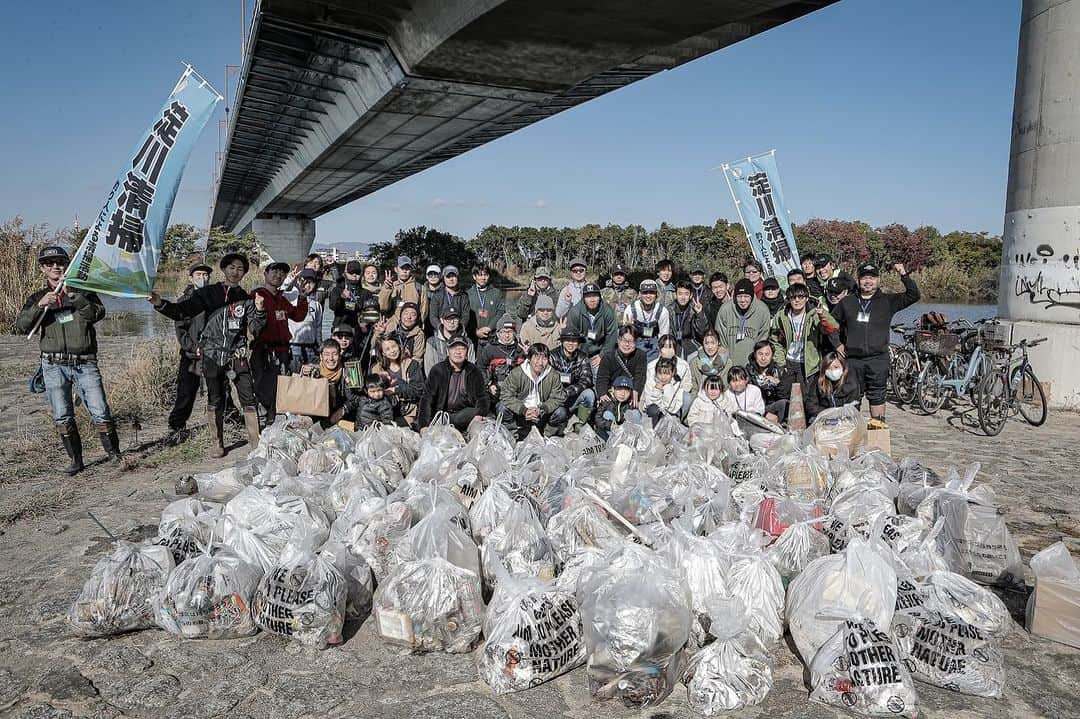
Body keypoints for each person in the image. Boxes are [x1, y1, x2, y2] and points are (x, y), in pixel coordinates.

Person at [17, 246, 119, 474]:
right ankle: (76, 461)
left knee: (100, 409)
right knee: (62, 414)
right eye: (49, 263)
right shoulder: (36, 297)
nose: (55, 266)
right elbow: (22, 326)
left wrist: (76, 297)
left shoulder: (83, 291)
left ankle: (115, 455)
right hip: (53, 365)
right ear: (43, 269)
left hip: (85, 362)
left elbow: (97, 314)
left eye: (60, 262)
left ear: (67, 265)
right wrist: (40, 305)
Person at [150, 252, 262, 454]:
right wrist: (160, 303)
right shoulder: (207, 293)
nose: (236, 272)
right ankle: (217, 443)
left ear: (244, 273)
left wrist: (260, 310)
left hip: (237, 355)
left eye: (240, 269)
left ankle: (256, 443)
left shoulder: (246, 298)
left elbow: (255, 328)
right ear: (224, 269)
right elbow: (182, 311)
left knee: (248, 397)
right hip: (211, 355)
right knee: (215, 397)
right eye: (232, 268)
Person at [831, 262, 919, 426]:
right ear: (858, 280)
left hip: (878, 360)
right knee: (851, 397)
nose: (868, 281)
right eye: (864, 278)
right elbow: (830, 324)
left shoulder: (888, 301)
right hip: (853, 360)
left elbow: (914, 295)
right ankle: (852, 435)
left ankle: (877, 435)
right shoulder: (847, 302)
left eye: (872, 278)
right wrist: (837, 344)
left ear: (878, 280)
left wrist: (903, 274)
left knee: (877, 396)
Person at [251, 261, 309, 425]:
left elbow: (298, 316)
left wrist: (303, 297)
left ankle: (274, 419)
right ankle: (260, 421)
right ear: (265, 273)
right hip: (263, 350)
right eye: (274, 272)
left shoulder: (281, 299)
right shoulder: (256, 295)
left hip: (282, 350)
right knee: (262, 386)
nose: (278, 275)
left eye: (282, 273)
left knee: (281, 386)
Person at [166, 261, 212, 445]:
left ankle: (228, 419)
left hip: (213, 353)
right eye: (199, 275)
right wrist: (193, 348)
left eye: (206, 275)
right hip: (191, 355)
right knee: (186, 392)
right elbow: (181, 332)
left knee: (220, 388)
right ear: (191, 277)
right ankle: (176, 427)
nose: (202, 278)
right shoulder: (184, 301)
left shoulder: (214, 297)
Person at [769, 282, 840, 387]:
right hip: (788, 362)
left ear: (807, 298)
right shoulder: (781, 316)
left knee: (807, 398)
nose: (797, 300)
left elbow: (832, 328)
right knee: (785, 395)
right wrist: (780, 362)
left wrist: (822, 315)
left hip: (808, 363)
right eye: (793, 297)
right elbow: (775, 340)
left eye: (801, 297)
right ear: (789, 299)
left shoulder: (814, 314)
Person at [418, 335, 490, 433]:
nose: (458, 352)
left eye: (462, 348)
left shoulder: (474, 371)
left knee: (483, 417)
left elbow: (482, 397)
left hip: (464, 414)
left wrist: (479, 415)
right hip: (443, 416)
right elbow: (427, 398)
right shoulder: (438, 370)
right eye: (454, 348)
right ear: (448, 351)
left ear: (467, 352)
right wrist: (424, 425)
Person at [498, 343, 567, 438]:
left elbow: (558, 397)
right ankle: (513, 436)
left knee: (561, 412)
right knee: (502, 407)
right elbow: (505, 395)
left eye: (544, 359)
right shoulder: (517, 373)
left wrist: (542, 409)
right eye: (537, 358)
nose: (540, 362)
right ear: (529, 359)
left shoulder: (553, 375)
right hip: (521, 412)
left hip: (541, 413)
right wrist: (523, 410)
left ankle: (547, 436)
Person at [715, 279, 771, 368]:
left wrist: (756, 362)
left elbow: (762, 339)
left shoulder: (762, 311)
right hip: (729, 364)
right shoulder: (725, 309)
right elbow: (721, 337)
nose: (742, 300)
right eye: (739, 296)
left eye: (746, 296)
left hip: (752, 365)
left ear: (752, 296)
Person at [371, 336, 425, 428]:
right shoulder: (376, 369)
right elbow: (371, 392)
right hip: (385, 413)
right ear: (383, 353)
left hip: (408, 412)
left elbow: (418, 389)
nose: (392, 351)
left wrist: (396, 389)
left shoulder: (411, 364)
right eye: (387, 349)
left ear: (399, 346)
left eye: (394, 346)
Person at [564, 282, 618, 373]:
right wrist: (577, 357)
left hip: (600, 350)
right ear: (583, 298)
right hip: (580, 351)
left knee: (599, 372)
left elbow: (611, 336)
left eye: (595, 296)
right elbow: (571, 337)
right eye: (588, 297)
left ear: (600, 297)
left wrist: (602, 355)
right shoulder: (575, 312)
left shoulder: (607, 311)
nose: (592, 300)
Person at [549, 329, 596, 428]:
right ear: (562, 341)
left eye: (574, 341)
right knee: (559, 414)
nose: (571, 343)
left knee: (589, 394)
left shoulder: (582, 357)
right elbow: (548, 379)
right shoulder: (552, 356)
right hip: (556, 398)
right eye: (567, 340)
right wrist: (559, 393)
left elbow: (586, 380)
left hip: (573, 397)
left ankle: (580, 424)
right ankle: (554, 427)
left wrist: (568, 392)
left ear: (579, 343)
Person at [595, 325, 647, 410]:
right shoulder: (608, 356)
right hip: (613, 391)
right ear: (618, 340)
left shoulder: (641, 355)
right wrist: (602, 393)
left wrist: (636, 390)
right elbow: (602, 377)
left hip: (630, 391)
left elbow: (640, 375)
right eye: (624, 340)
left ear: (636, 342)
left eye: (631, 341)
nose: (627, 344)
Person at [284, 268, 324, 373]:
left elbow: (318, 329)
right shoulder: (289, 297)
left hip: (311, 349)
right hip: (294, 348)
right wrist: (288, 280)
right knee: (294, 381)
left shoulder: (317, 305)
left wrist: (320, 347)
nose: (307, 285)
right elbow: (278, 292)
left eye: (311, 282)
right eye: (304, 281)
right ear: (298, 281)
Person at [477, 314, 525, 402]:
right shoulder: (490, 349)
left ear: (514, 333)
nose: (507, 336)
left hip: (518, 392)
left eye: (509, 332)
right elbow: (481, 368)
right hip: (495, 392)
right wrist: (489, 385)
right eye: (503, 332)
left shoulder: (521, 350)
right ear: (498, 333)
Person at [804, 352, 862, 422]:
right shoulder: (818, 382)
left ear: (843, 366)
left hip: (845, 420)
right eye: (828, 368)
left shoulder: (852, 383)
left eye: (836, 367)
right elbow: (811, 405)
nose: (832, 371)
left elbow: (854, 407)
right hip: (824, 418)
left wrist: (840, 413)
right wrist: (828, 413)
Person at [747, 340, 794, 423]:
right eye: (760, 354)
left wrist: (778, 383)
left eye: (767, 354)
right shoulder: (748, 371)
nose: (763, 358)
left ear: (772, 355)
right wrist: (764, 413)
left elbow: (785, 395)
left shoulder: (780, 371)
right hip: (755, 409)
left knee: (784, 404)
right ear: (755, 355)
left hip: (773, 407)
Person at [646, 335, 692, 419]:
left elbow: (687, 385)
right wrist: (659, 389)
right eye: (665, 347)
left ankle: (679, 420)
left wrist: (671, 390)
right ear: (660, 349)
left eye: (671, 347)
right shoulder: (651, 366)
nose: (668, 350)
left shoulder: (683, 365)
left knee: (687, 397)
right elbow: (649, 391)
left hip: (675, 401)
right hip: (657, 401)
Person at [379, 255, 428, 332]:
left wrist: (419, 323)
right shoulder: (389, 286)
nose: (405, 271)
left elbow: (423, 309)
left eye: (407, 268)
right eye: (402, 268)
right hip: (393, 326)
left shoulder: (420, 288)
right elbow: (383, 308)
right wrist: (387, 289)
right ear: (396, 269)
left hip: (412, 326)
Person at [624, 279, 670, 360]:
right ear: (639, 294)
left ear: (656, 294)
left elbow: (663, 335)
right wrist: (629, 328)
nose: (648, 296)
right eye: (645, 293)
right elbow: (625, 337)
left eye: (652, 293)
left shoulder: (662, 311)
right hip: (635, 342)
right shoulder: (631, 309)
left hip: (654, 343)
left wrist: (661, 355)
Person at [425, 306, 476, 376]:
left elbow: (471, 368)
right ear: (442, 320)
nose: (452, 322)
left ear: (459, 320)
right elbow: (429, 370)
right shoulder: (431, 342)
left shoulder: (468, 342)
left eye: (455, 319)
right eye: (448, 319)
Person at [328, 260, 373, 328]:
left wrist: (350, 305)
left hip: (359, 329)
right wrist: (342, 299)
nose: (354, 275)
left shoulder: (366, 293)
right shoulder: (337, 290)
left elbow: (366, 310)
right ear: (345, 273)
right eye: (351, 272)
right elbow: (332, 306)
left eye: (357, 273)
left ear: (361, 274)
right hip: (340, 328)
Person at [427, 265, 472, 332]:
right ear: (443, 278)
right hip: (440, 332)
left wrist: (458, 328)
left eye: (453, 276)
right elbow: (433, 316)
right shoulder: (437, 296)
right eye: (448, 276)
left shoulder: (464, 296)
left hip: (458, 332)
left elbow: (465, 316)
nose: (451, 279)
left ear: (458, 278)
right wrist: (441, 329)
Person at [641, 357, 684, 427]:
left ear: (672, 373)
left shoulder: (677, 385)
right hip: (655, 414)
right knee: (653, 409)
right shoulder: (652, 382)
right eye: (660, 373)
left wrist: (667, 388)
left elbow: (673, 408)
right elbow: (649, 403)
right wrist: (657, 390)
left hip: (671, 414)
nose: (663, 377)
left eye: (667, 374)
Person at [468, 265, 505, 345]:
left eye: (485, 275)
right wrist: (475, 331)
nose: (483, 278)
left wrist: (489, 328)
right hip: (473, 337)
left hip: (492, 336)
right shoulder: (468, 294)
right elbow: (465, 315)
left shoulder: (497, 293)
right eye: (480, 275)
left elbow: (501, 312)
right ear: (474, 277)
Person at [688, 329, 734, 394]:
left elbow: (727, 387)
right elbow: (693, 388)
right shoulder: (694, 362)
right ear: (702, 344)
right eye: (706, 343)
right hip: (700, 400)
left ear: (718, 343)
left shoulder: (728, 363)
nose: (710, 347)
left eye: (713, 343)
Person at [667, 281, 700, 358]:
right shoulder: (669, 310)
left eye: (686, 294)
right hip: (673, 345)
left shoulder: (694, 310)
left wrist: (700, 314)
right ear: (675, 294)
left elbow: (701, 332)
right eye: (680, 294)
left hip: (691, 346)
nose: (683, 297)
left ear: (691, 295)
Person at [693, 272, 729, 339]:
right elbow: (704, 331)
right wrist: (700, 313)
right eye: (715, 288)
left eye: (721, 287)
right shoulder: (709, 307)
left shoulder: (736, 304)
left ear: (727, 286)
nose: (718, 290)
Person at [421, 264, 444, 333]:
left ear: (440, 276)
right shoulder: (421, 290)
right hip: (425, 324)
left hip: (441, 324)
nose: (433, 277)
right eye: (430, 274)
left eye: (436, 274)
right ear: (426, 276)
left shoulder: (445, 290)